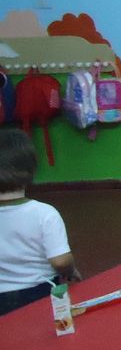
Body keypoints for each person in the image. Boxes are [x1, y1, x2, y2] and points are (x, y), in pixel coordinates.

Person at [0, 128, 81, 316]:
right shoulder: (44, 214)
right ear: (31, 169)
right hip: (39, 292)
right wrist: (70, 270)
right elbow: (60, 261)